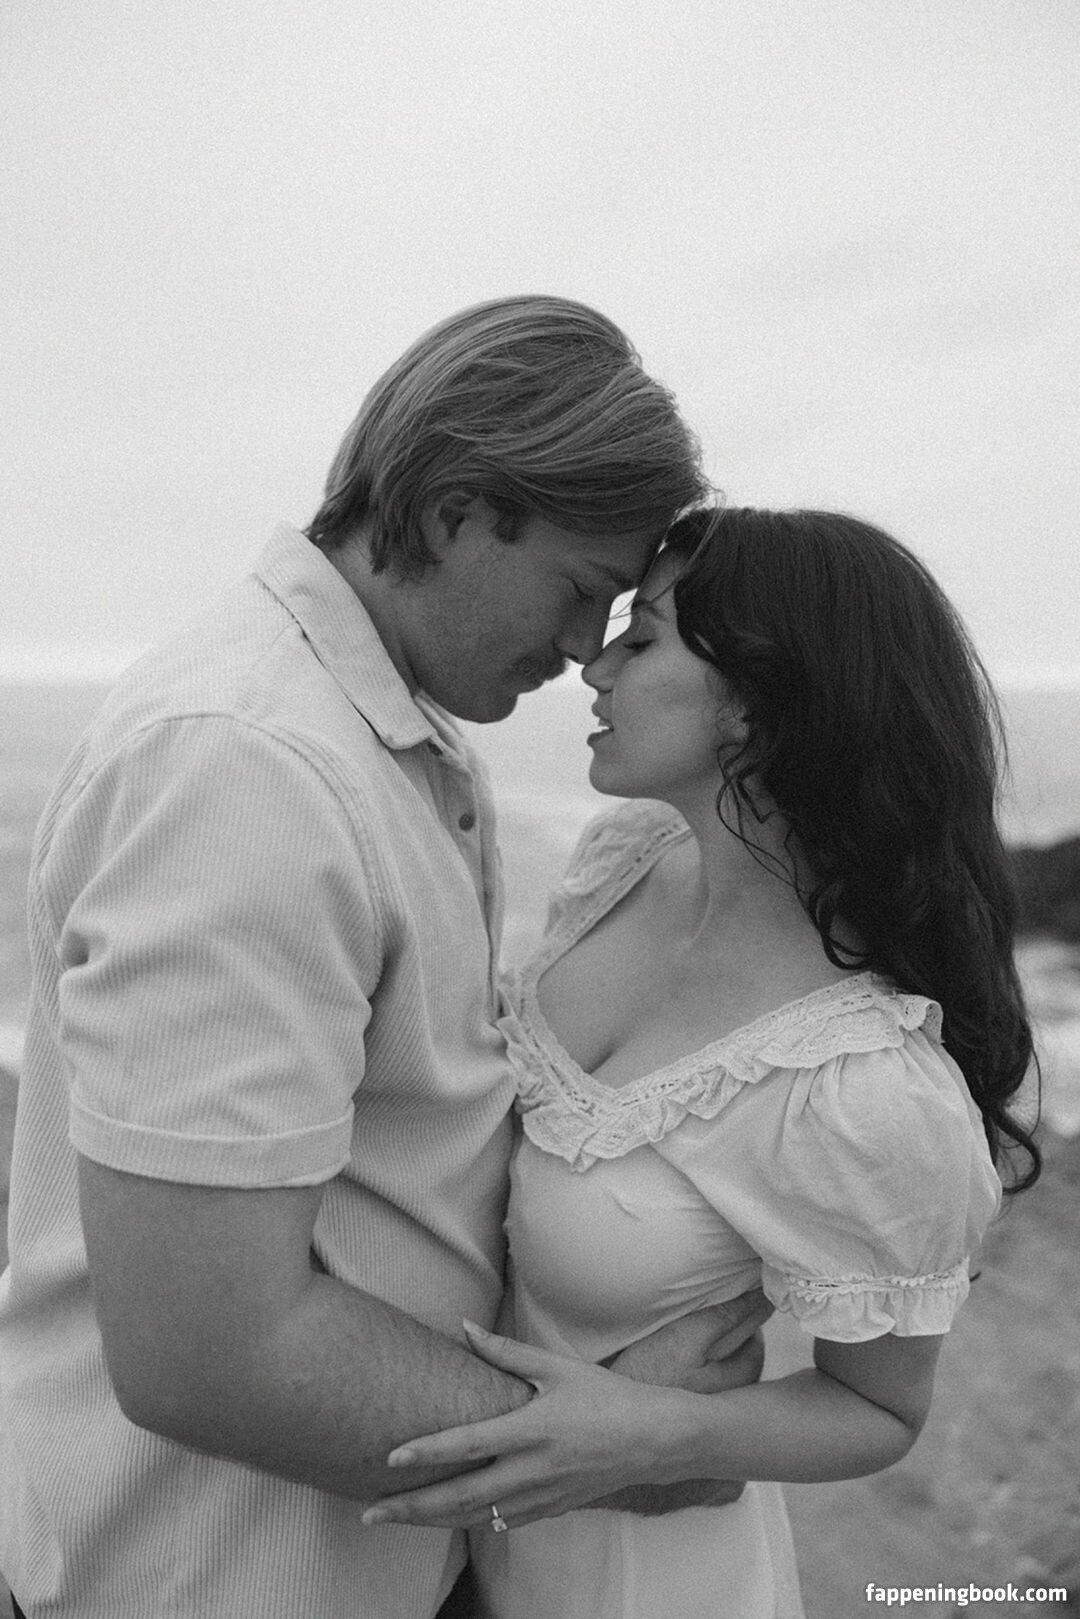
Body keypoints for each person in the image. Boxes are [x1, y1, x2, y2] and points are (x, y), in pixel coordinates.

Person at [0, 298, 765, 1619]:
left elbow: (406, 1153)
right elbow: (208, 1350)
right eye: (580, 587)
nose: (584, 645)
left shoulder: (384, 733)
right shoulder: (250, 763)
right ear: (457, 512)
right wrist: (620, 1447)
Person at [358, 506, 1042, 1619]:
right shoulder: (622, 866)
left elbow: (879, 1410)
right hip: (457, 1568)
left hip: (646, 1583)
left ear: (759, 703)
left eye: (643, 639)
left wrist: (658, 1432)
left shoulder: (860, 1080)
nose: (594, 667)